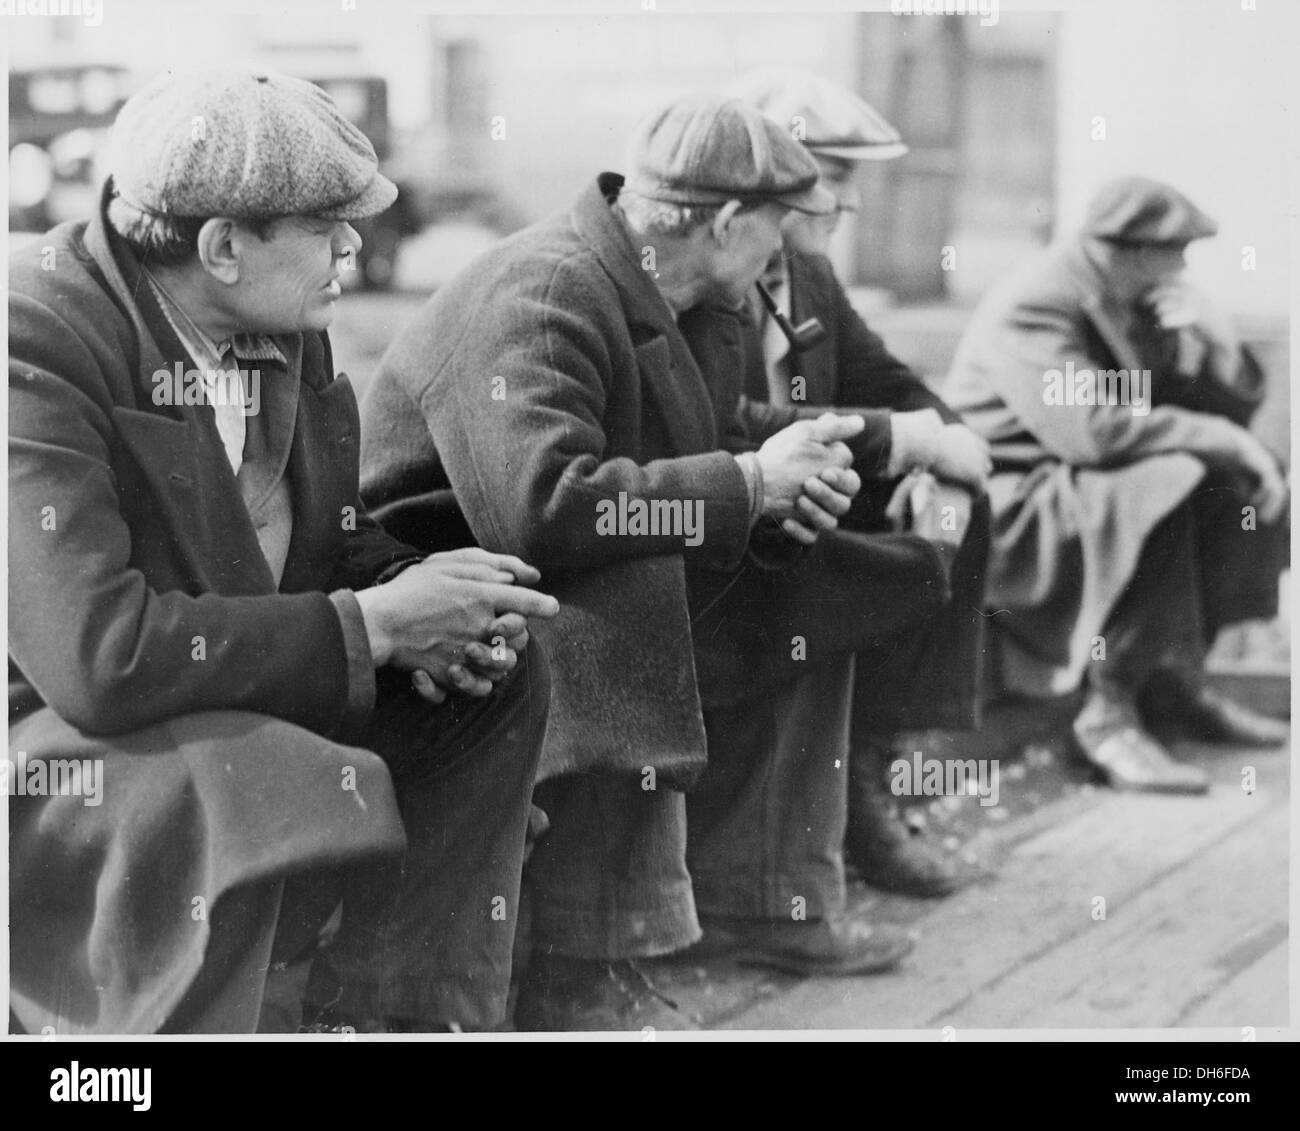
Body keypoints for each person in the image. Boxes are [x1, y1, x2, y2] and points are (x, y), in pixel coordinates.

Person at [360, 95, 941, 1030]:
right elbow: (541, 508)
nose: (780, 262)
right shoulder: (547, 293)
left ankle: (764, 898)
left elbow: (699, 438)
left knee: (823, 575)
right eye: (777, 234)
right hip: (439, 589)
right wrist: (747, 484)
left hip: (543, 567)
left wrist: (788, 485)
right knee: (621, 591)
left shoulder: (682, 295)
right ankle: (586, 970)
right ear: (723, 223)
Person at [7, 70, 558, 1035]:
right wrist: (369, 628)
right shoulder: (33, 339)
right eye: (326, 225)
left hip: (213, 682)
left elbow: (315, 547)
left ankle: (401, 1015)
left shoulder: (275, 323)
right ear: (223, 246)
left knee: (495, 676)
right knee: (250, 776)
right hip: (51, 735)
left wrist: (415, 595)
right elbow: (96, 658)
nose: (356, 243)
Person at [697, 68, 993, 901]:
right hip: (730, 520)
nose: (849, 202)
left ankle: (876, 764)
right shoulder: (713, 272)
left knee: (956, 501)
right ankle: (839, 815)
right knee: (866, 543)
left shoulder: (811, 276)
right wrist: (901, 440)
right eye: (835, 176)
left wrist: (940, 440)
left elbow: (889, 379)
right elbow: (726, 419)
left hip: (798, 493)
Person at [945, 176, 1289, 793]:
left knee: (1237, 479)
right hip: (1011, 491)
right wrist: (1220, 438)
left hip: (1080, 477)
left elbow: (1190, 414)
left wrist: (1214, 343)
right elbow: (1092, 431)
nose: (1183, 268)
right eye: (1175, 252)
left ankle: (1170, 678)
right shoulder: (1039, 300)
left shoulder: (1131, 297)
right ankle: (1107, 714)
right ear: (1127, 250)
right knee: (1175, 479)